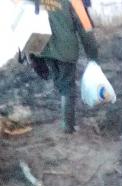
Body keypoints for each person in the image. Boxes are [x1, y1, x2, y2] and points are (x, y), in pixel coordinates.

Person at [37, 0, 99, 134]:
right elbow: (86, 30)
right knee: (67, 88)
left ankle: (64, 117)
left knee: (60, 83)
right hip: (66, 49)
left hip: (46, 48)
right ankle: (68, 126)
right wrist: (93, 56)